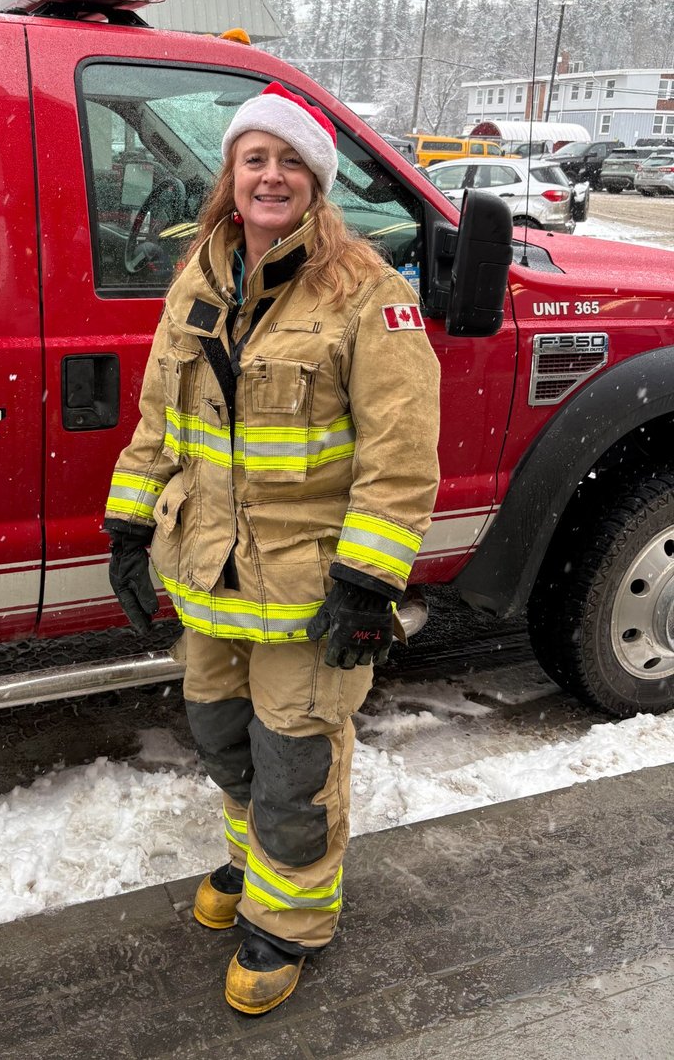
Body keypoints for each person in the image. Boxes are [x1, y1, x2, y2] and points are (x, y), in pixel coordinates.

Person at [104, 82, 440, 1015]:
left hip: (307, 588)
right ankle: (255, 866)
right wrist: (129, 528)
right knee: (222, 735)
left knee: (295, 765)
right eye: (256, 157)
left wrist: (369, 583)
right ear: (232, 173)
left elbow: (402, 459)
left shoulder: (370, 294)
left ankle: (288, 920)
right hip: (207, 576)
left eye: (292, 161)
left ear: (318, 183)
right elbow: (158, 423)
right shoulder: (198, 276)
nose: (271, 175)